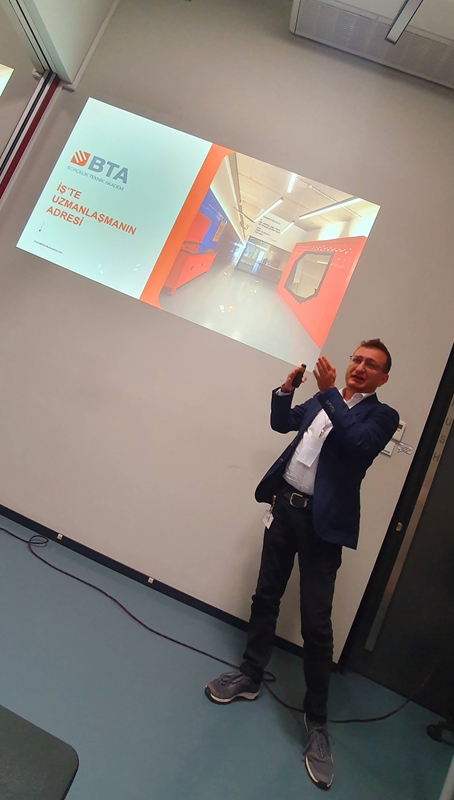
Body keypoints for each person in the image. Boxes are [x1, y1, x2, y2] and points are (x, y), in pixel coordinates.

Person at [205, 339, 399, 791]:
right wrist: (286, 390)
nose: (360, 367)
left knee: (316, 624)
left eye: (371, 365)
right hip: (284, 510)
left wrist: (329, 392)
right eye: (356, 359)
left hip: (322, 527)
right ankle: (251, 674)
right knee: (265, 595)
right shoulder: (320, 400)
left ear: (383, 378)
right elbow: (281, 423)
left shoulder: (381, 416)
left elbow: (357, 444)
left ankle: (317, 723)